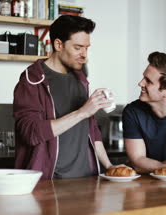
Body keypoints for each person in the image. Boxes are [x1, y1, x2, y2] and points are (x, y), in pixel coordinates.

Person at [13, 15, 118, 179]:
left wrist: (110, 166)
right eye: (78, 48)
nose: (84, 55)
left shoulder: (80, 78)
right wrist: (83, 112)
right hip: (50, 181)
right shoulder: (32, 80)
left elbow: (91, 129)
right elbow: (31, 133)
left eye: (86, 48)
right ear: (58, 44)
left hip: (87, 178)